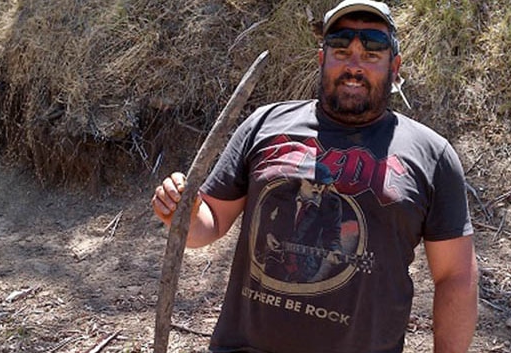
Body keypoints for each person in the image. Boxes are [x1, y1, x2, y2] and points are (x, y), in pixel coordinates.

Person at [152, 1, 478, 352]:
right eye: (340, 50)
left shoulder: (432, 155)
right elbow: (210, 222)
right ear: (321, 59)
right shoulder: (265, 125)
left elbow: (456, 276)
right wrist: (180, 210)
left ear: (394, 67)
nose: (354, 66)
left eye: (371, 54)